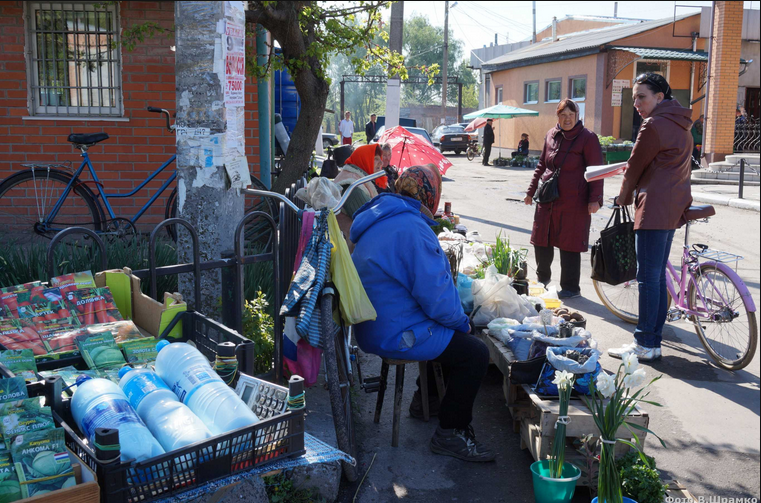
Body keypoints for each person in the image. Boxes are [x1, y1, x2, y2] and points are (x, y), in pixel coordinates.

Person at [350, 164, 495, 463]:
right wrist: (462, 323)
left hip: (371, 325)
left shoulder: (380, 216)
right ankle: (451, 433)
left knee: (448, 332)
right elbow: (438, 297)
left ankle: (425, 400)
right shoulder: (412, 228)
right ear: (430, 198)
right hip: (393, 331)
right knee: (475, 352)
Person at [608, 73, 693, 362]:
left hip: (654, 206)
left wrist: (622, 197)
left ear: (660, 96)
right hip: (672, 206)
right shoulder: (682, 122)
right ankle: (652, 342)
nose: (636, 104)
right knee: (655, 277)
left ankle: (645, 342)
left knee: (648, 278)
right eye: (633, 98)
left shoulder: (654, 124)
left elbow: (634, 167)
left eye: (641, 96)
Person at [524, 98, 603, 299]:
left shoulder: (588, 138)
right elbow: (542, 165)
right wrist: (531, 191)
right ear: (557, 116)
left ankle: (570, 287)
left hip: (574, 200)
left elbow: (596, 171)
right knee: (542, 238)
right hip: (548, 197)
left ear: (577, 116)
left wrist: (595, 199)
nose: (567, 119)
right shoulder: (551, 135)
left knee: (570, 242)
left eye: (571, 115)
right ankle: (542, 280)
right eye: (563, 115)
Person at [334, 144, 384, 251]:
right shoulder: (351, 185)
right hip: (352, 251)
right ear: (364, 159)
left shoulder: (356, 178)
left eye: (380, 159)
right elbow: (369, 219)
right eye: (375, 159)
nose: (381, 163)